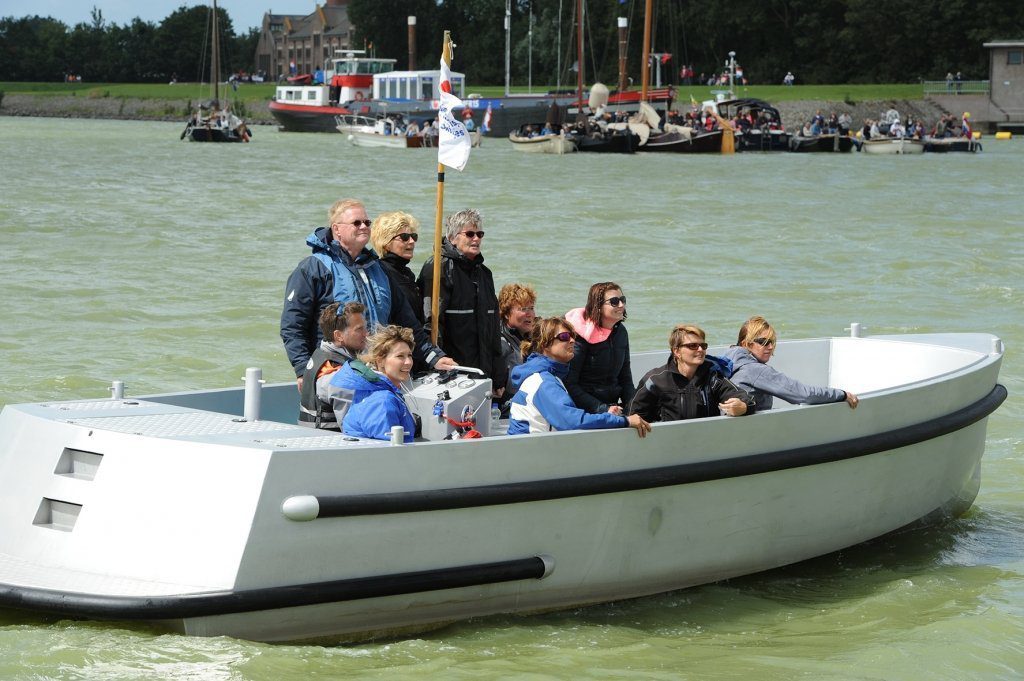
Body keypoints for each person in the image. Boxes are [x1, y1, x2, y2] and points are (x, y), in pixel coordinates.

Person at [280, 198, 455, 389]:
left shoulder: (379, 269)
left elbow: (407, 322)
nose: (364, 226)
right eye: (357, 222)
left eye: (367, 222)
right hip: (335, 374)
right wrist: (302, 369)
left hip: (377, 372)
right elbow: (293, 326)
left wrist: (434, 357)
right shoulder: (313, 269)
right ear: (336, 229)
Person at [508, 317, 650, 438]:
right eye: (564, 337)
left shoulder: (547, 375)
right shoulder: (543, 381)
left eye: (572, 336)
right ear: (545, 344)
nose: (571, 341)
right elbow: (572, 421)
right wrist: (624, 421)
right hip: (530, 456)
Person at [418, 209, 507, 395]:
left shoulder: (484, 274)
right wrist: (436, 361)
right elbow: (430, 323)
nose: (476, 239)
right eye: (469, 234)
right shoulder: (438, 269)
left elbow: (493, 329)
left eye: (479, 234)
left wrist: (498, 373)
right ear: (452, 238)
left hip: (483, 373)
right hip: (453, 373)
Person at [720, 316, 859, 413]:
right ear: (746, 344)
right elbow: (803, 394)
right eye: (763, 342)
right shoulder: (754, 370)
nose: (770, 347)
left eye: (772, 341)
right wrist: (841, 394)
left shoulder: (727, 360)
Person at [630, 324, 755, 422]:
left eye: (703, 345)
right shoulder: (655, 380)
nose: (700, 349)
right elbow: (633, 414)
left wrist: (743, 406)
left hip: (706, 442)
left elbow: (747, 399)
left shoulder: (713, 377)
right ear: (676, 351)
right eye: (693, 346)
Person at [334, 325, 417, 443]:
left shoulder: (372, 389)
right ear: (380, 361)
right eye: (400, 356)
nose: (408, 362)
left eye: (409, 355)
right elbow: (389, 453)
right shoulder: (382, 400)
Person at [564, 282, 635, 415]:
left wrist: (633, 408)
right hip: (585, 410)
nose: (621, 305)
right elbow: (570, 384)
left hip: (613, 406)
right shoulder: (580, 335)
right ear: (598, 306)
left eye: (622, 300)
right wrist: (602, 409)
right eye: (614, 301)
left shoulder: (621, 332)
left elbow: (625, 378)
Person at [298, 301, 369, 429]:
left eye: (365, 327)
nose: (366, 333)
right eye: (359, 329)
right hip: (329, 443)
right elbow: (354, 428)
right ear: (339, 335)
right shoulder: (337, 374)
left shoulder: (321, 355)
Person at [497, 282, 537, 408]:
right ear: (507, 313)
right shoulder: (500, 342)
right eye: (523, 309)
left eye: (531, 308)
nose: (529, 313)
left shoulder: (533, 336)